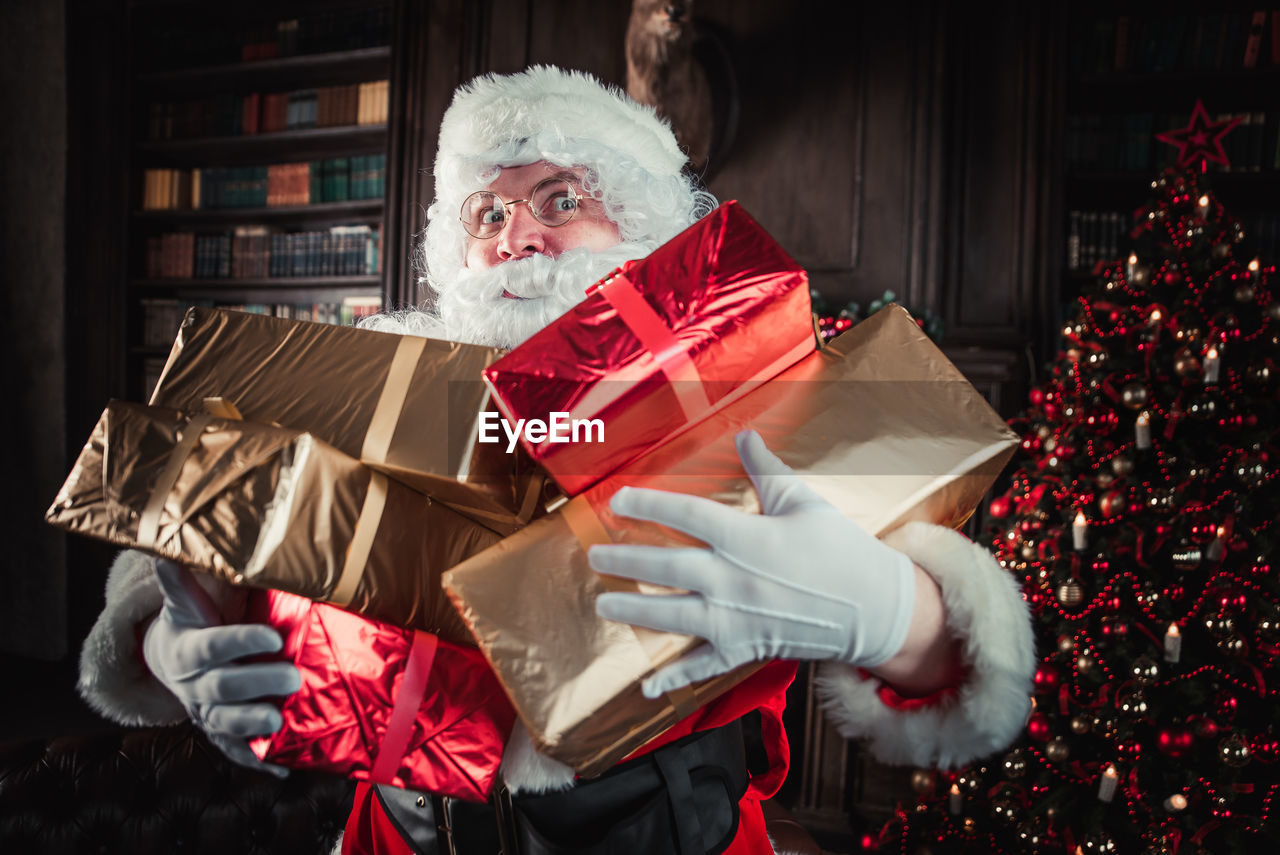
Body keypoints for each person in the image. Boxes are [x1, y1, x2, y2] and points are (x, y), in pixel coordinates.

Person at [77, 66, 1035, 854]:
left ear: (643, 231)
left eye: (559, 199)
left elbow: (957, 661)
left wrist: (885, 607)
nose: (515, 238)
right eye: (485, 215)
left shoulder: (760, 395)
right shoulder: (376, 389)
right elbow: (200, 549)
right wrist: (165, 649)